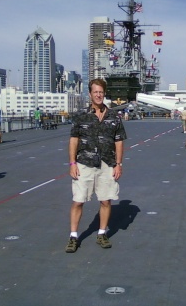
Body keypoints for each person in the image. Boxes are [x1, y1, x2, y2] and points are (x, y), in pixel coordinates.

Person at [66, 79, 127, 253]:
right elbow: (73, 140)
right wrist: (72, 163)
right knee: (78, 201)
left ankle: (102, 233)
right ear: (90, 94)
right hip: (84, 162)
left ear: (104, 93)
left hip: (107, 163)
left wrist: (119, 164)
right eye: (95, 92)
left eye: (101, 92)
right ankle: (73, 236)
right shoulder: (81, 115)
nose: (99, 95)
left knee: (106, 200)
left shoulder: (114, 116)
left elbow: (119, 141)